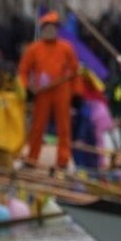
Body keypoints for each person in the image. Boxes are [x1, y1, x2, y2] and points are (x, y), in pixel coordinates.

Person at [18, 11, 79, 169]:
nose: (50, 31)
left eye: (52, 28)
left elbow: (75, 71)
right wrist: (26, 88)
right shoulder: (34, 49)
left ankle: (63, 159)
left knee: (64, 127)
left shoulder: (66, 48)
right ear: (42, 30)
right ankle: (32, 158)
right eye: (47, 28)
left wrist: (75, 92)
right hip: (42, 93)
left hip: (61, 91)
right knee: (38, 126)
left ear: (57, 30)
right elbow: (23, 71)